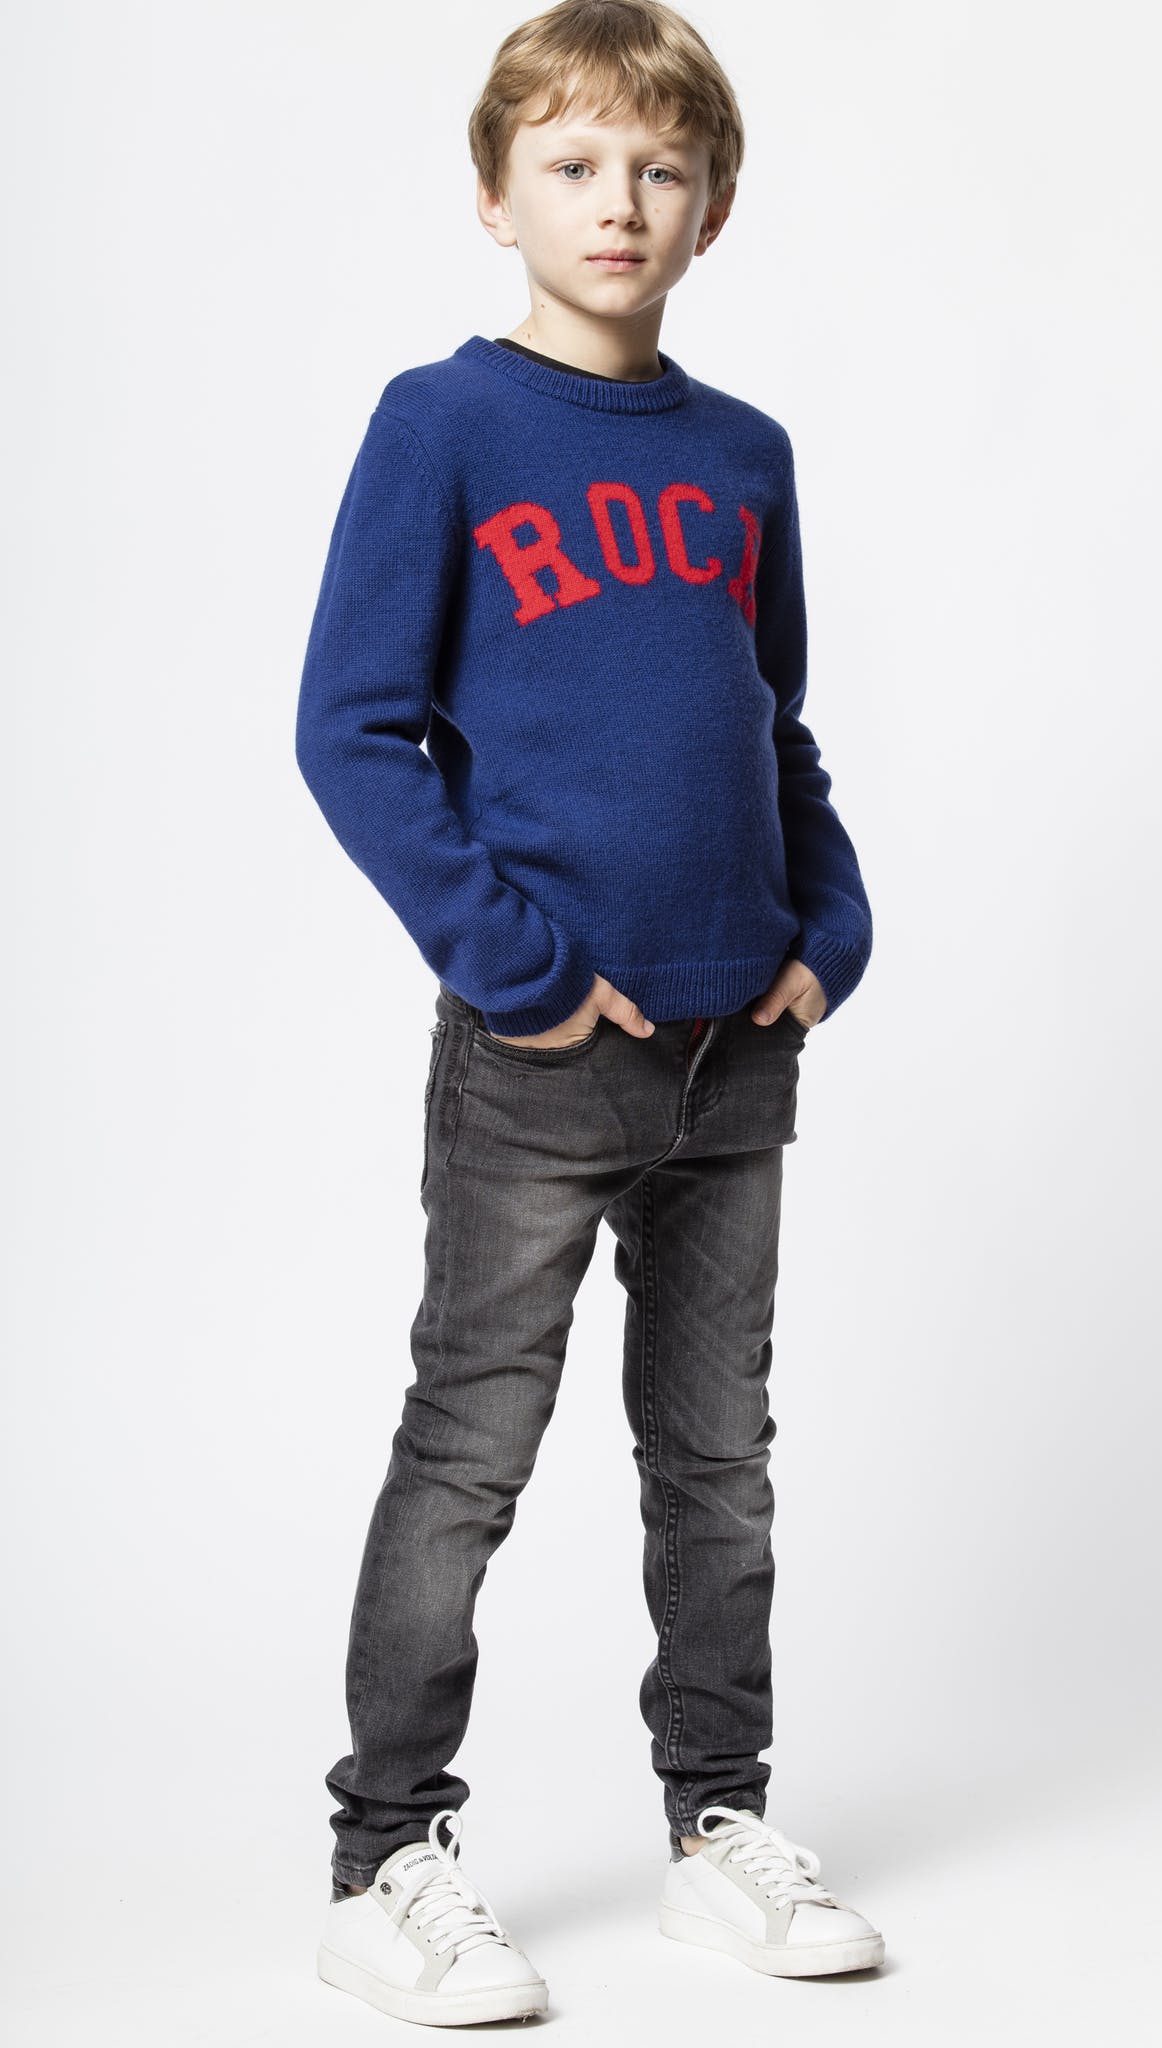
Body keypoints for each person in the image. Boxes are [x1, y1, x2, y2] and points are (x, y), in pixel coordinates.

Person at [295, 0, 880, 2024]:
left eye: (657, 169)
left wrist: (829, 928)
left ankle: (718, 1827)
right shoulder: (440, 426)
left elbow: (770, 725)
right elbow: (352, 732)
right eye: (571, 165)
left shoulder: (741, 458)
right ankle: (385, 1856)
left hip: (739, 1050)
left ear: (710, 207)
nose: (616, 202)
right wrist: (522, 974)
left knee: (715, 1461)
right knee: (469, 1449)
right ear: (496, 195)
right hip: (544, 1062)